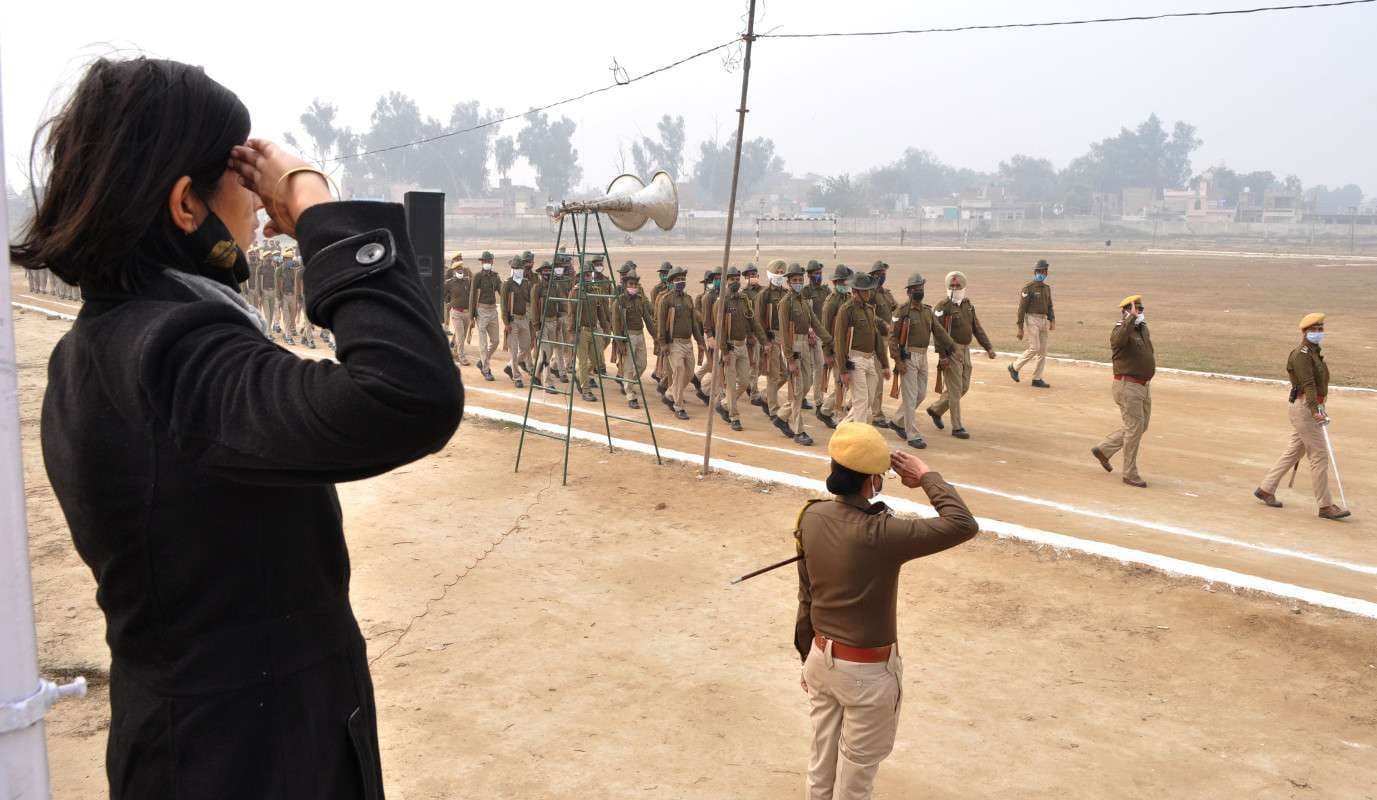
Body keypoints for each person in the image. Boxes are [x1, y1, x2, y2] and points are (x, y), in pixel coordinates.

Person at [12, 57, 463, 799]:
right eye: (241, 176)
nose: (258, 203)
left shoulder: (102, 343)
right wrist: (318, 206)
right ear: (186, 206)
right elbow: (407, 393)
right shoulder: (174, 353)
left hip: (210, 741)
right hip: (246, 759)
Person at [794, 423, 978, 800]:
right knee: (855, 779)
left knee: (821, 767)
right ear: (874, 480)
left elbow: (806, 597)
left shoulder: (810, 517)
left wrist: (805, 657)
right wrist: (926, 476)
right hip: (866, 672)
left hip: (819, 658)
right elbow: (962, 523)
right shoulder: (882, 532)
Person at [1254, 313, 1352, 520]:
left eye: (1320, 329)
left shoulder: (1314, 353)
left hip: (1310, 406)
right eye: (1313, 330)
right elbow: (1308, 385)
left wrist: (1319, 407)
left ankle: (1266, 488)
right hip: (1306, 408)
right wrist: (1316, 410)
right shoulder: (1302, 355)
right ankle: (1325, 506)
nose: (1318, 333)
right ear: (1304, 332)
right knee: (1319, 456)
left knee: (1294, 451)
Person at [1091, 295, 1154, 488]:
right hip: (1128, 386)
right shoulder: (1120, 329)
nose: (1140, 313)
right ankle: (1130, 473)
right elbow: (1118, 341)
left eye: (1141, 310)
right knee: (1135, 428)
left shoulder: (1142, 329)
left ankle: (1104, 449)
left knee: (1140, 426)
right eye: (1136, 310)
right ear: (1126, 311)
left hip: (1143, 385)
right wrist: (1130, 319)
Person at [924, 271, 995, 440]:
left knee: (964, 386)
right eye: (951, 286)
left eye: (957, 286)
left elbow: (976, 327)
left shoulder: (968, 305)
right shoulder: (942, 307)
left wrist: (988, 347)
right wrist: (943, 356)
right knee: (955, 390)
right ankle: (957, 427)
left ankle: (936, 409)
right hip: (951, 351)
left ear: (964, 287)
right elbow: (938, 334)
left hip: (966, 350)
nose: (954, 289)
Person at [888, 273, 955, 450]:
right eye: (916, 288)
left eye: (921, 288)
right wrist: (897, 359)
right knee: (910, 398)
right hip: (908, 357)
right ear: (909, 292)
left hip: (923, 356)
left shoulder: (927, 311)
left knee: (921, 395)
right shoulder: (902, 311)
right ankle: (912, 435)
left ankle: (897, 421)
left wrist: (952, 347)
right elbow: (893, 337)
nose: (920, 291)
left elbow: (939, 331)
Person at [777, 263, 833, 446]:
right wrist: (790, 358)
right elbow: (785, 332)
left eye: (800, 280)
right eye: (795, 280)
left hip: (805, 346)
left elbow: (815, 323)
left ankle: (781, 416)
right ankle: (798, 431)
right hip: (794, 345)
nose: (798, 283)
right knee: (798, 388)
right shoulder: (786, 303)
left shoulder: (802, 301)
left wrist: (829, 340)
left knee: (807, 383)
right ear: (788, 282)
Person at [703, 266, 765, 431]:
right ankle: (734, 416)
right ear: (726, 281)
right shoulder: (720, 302)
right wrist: (724, 351)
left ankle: (724, 403)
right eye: (732, 279)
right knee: (730, 384)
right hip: (729, 348)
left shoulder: (744, 300)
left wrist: (764, 341)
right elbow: (719, 329)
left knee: (744, 382)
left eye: (737, 279)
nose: (735, 282)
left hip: (742, 346)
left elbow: (753, 322)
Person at [832, 273, 890, 426]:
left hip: (870, 359)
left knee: (868, 399)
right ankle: (859, 437)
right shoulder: (846, 310)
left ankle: (842, 428)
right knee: (861, 399)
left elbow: (876, 338)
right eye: (865, 291)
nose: (868, 293)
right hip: (855, 360)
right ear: (855, 292)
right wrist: (843, 370)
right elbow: (839, 341)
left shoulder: (870, 309)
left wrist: (884, 364)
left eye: (869, 290)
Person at [658, 266, 703, 420]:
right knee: (678, 370)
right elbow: (661, 323)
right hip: (674, 343)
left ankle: (670, 394)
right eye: (677, 279)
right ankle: (678, 406)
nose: (681, 282)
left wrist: (700, 341)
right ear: (671, 282)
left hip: (688, 342)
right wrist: (663, 344)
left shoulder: (688, 298)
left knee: (689, 373)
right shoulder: (666, 300)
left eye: (683, 279)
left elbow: (694, 323)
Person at [611, 270, 657, 409]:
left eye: (636, 284)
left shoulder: (640, 300)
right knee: (629, 367)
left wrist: (655, 336)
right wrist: (620, 343)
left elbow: (648, 320)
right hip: (628, 336)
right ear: (625, 284)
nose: (633, 286)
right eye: (631, 284)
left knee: (642, 364)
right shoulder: (619, 302)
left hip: (640, 335)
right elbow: (616, 323)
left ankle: (627, 382)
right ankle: (630, 395)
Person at [816, 264, 854, 429]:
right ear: (837, 282)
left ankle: (825, 410)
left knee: (845, 382)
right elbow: (824, 328)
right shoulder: (831, 303)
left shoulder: (848, 299)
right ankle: (839, 416)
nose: (846, 285)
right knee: (840, 382)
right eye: (844, 282)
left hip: (847, 347)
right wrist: (827, 353)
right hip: (835, 348)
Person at [1010, 259, 1055, 388]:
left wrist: (1052, 320)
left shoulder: (1047, 288)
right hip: (1032, 319)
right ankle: (1014, 367)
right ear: (1036, 272)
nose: (1042, 273)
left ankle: (1037, 378)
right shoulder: (1028, 288)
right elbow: (1021, 308)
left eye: (1044, 271)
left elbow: (1050, 306)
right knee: (1034, 348)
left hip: (1043, 320)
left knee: (1042, 351)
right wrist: (1020, 328)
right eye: (1040, 271)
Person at [866, 261, 897, 429]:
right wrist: (883, 324)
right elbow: (867, 312)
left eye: (884, 273)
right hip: (874, 338)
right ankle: (877, 414)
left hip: (885, 338)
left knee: (873, 375)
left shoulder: (885, 293)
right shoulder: (869, 293)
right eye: (879, 273)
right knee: (877, 375)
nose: (882, 276)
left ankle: (851, 403)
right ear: (873, 275)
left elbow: (894, 308)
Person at [759, 260, 791, 423]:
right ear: (770, 274)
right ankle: (773, 408)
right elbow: (758, 320)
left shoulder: (785, 293)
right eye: (777, 272)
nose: (779, 275)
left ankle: (765, 395)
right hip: (770, 338)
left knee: (784, 374)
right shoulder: (764, 295)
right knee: (773, 375)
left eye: (781, 272)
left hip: (782, 338)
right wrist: (765, 341)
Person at [469, 250, 502, 381]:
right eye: (485, 261)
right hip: (481, 310)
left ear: (492, 262)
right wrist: (471, 316)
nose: (487, 263)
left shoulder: (495, 276)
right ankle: (486, 369)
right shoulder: (477, 277)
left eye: (489, 261)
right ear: (482, 262)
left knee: (495, 341)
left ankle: (483, 361)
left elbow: (501, 292)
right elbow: (472, 296)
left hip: (493, 310)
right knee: (483, 343)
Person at [500, 256, 533, 388]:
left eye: (520, 268)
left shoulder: (526, 283)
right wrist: (506, 323)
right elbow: (503, 305)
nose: (518, 270)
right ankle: (516, 376)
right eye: (515, 268)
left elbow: (528, 299)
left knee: (526, 347)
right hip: (512, 321)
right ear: (512, 269)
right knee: (514, 351)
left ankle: (509, 366)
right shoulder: (507, 284)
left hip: (524, 319)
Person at [804, 260, 830, 410]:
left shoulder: (825, 291)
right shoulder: (806, 292)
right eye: (815, 273)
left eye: (819, 273)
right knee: (811, 368)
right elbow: (806, 314)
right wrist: (810, 331)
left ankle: (818, 400)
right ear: (809, 275)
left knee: (819, 366)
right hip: (812, 334)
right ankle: (811, 399)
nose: (818, 276)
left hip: (823, 334)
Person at [740, 263, 766, 406]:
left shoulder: (763, 291)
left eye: (755, 275)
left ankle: (749, 385)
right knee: (753, 364)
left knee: (762, 365)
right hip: (753, 335)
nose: (753, 278)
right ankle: (754, 393)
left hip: (764, 334)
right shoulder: (744, 294)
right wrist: (750, 335)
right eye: (750, 276)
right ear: (745, 278)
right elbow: (746, 316)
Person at [444, 254, 474, 365]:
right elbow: (443, 294)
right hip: (456, 312)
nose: (461, 270)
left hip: (467, 313)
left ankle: (455, 352)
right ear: (454, 270)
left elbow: (472, 293)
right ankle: (462, 358)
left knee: (462, 335)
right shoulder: (449, 283)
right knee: (460, 336)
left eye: (461, 268)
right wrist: (449, 303)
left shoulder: (468, 281)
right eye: (458, 269)